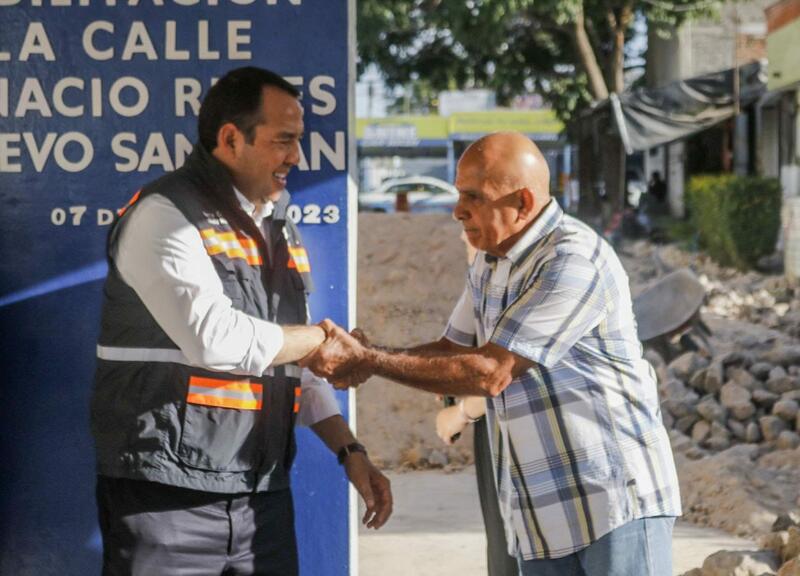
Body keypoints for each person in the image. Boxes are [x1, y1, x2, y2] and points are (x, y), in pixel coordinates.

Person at [303, 132, 681, 576]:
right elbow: (453, 350)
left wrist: (367, 360)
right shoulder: (491, 260)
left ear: (521, 202)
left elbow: (489, 371)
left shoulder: (571, 258)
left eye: (473, 197)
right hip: (543, 515)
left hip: (612, 503)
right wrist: (368, 353)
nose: (457, 210)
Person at [91, 66, 391, 576]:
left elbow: (288, 359)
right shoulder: (164, 214)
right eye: (284, 140)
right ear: (231, 138)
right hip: (166, 501)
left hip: (260, 497)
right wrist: (322, 339)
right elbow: (215, 339)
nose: (296, 157)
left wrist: (349, 448)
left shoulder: (276, 227)